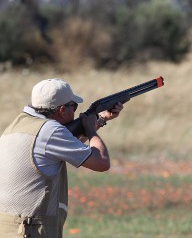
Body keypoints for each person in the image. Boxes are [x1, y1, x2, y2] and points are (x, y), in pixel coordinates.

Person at [0, 78, 123, 238]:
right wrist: (91, 131)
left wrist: (100, 119)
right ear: (62, 110)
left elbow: (69, 147)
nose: (75, 112)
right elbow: (101, 162)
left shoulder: (16, 125)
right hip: (32, 231)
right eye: (74, 107)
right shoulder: (50, 130)